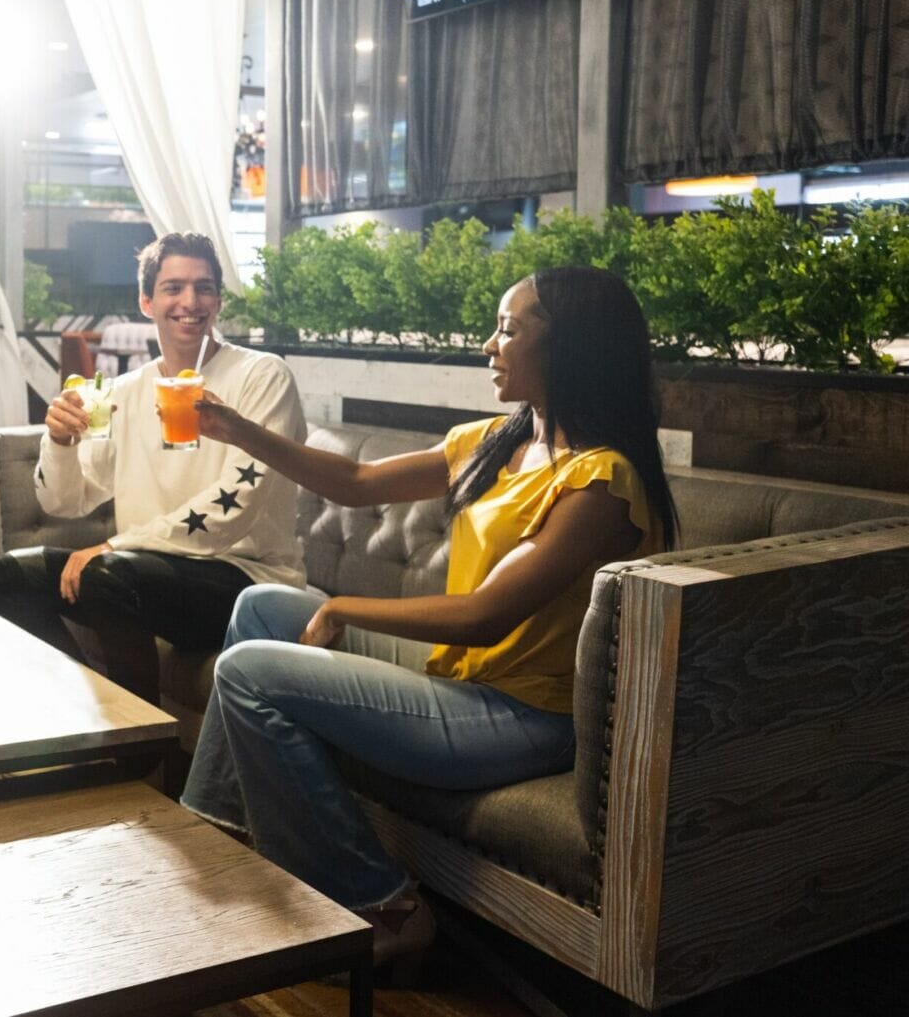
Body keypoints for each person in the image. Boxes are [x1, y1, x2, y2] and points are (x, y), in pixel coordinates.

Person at [180, 265, 677, 964]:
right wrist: (236, 429)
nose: (489, 344)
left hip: (522, 719)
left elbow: (483, 615)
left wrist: (345, 608)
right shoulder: (499, 441)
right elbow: (353, 484)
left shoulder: (602, 481)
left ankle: (383, 902)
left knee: (248, 673)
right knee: (262, 607)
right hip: (463, 680)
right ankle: (220, 835)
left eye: (508, 328)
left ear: (567, 343)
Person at [0, 232, 307, 708]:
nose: (190, 302)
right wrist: (59, 442)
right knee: (8, 575)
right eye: (174, 288)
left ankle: (140, 748)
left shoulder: (263, 375)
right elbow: (65, 501)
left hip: (245, 578)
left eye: (204, 287)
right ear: (146, 301)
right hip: (141, 577)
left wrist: (115, 545)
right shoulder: (124, 391)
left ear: (218, 300)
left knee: (106, 575)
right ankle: (90, 707)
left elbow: (236, 505)